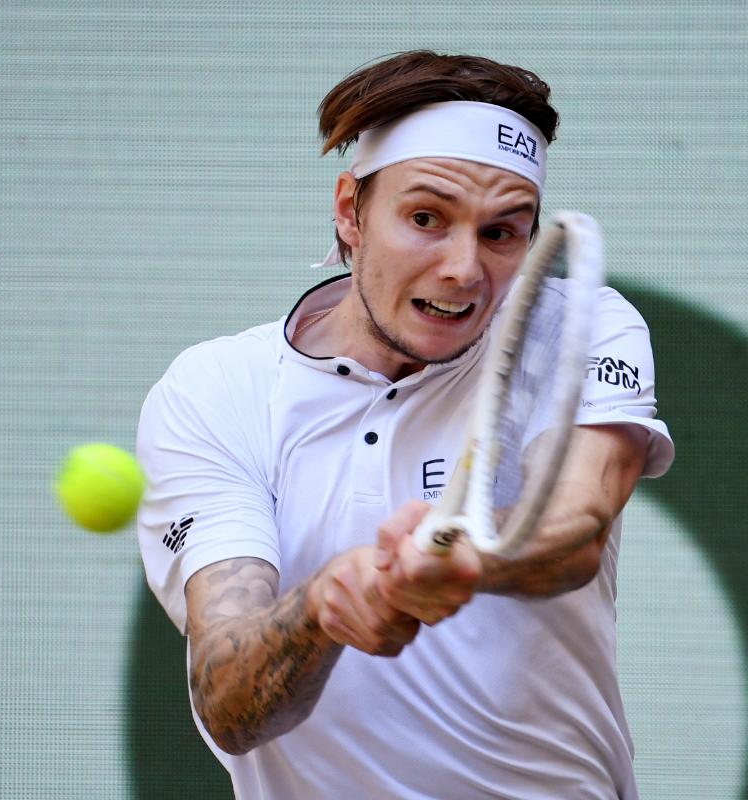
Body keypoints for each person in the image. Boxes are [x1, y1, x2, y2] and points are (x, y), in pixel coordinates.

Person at [136, 51, 674, 799]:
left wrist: (462, 556)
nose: (463, 268)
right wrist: (321, 609)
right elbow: (229, 701)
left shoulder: (578, 327)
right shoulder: (216, 389)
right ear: (350, 212)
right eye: (426, 219)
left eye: (501, 233)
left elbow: (574, 530)